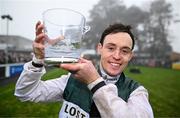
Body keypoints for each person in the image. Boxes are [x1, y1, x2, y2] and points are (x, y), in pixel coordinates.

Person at [14, 21, 154, 118]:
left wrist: (95, 82)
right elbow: (25, 92)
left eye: (124, 51)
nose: (117, 56)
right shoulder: (71, 80)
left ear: (130, 55)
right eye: (111, 48)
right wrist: (38, 61)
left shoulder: (137, 91)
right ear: (100, 48)